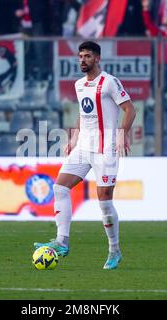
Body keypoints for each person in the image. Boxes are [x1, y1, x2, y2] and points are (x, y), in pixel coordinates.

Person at [34, 41, 136, 269]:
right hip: (83, 147)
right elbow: (84, 113)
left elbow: (130, 108)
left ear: (97, 58)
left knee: (105, 204)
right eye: (80, 56)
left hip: (105, 150)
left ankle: (114, 250)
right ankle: (62, 242)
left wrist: (122, 133)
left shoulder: (109, 82)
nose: (83, 60)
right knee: (59, 188)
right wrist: (73, 137)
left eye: (87, 56)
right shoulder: (79, 85)